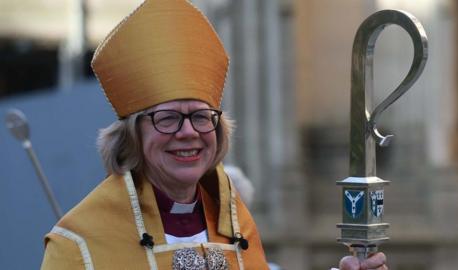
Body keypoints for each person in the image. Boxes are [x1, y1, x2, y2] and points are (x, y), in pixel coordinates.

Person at [41, 0, 387, 269]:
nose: (188, 132)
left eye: (201, 117)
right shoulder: (78, 245)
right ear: (132, 134)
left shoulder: (236, 225)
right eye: (167, 118)